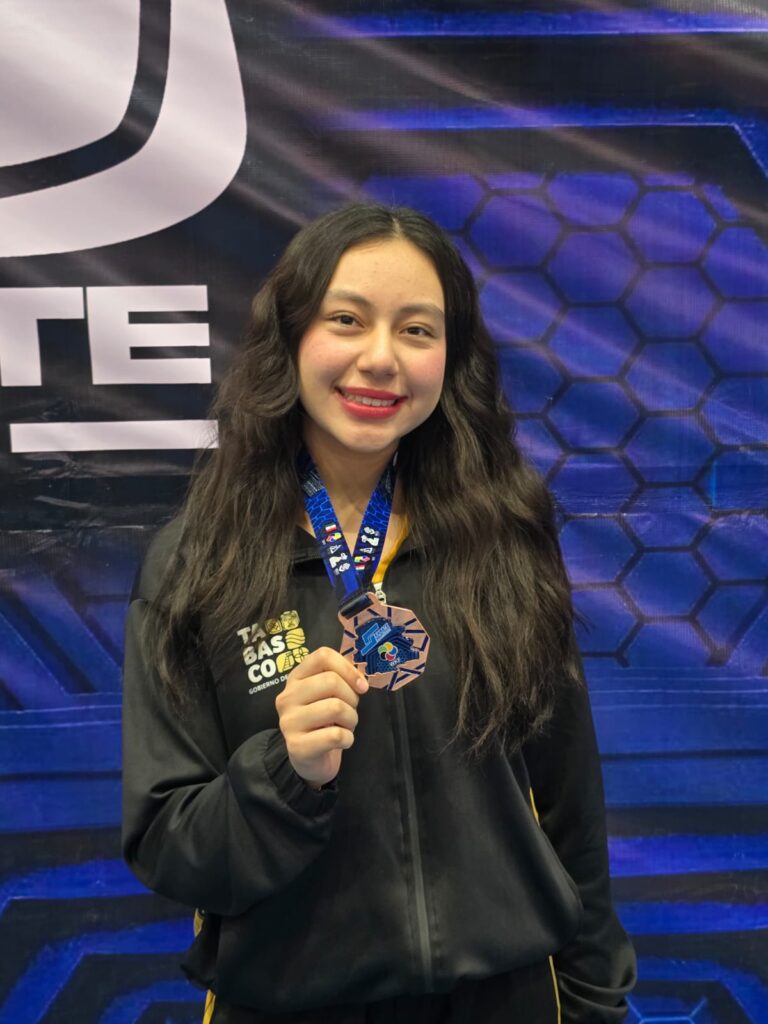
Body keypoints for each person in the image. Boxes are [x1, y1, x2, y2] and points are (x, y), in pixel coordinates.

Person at [121, 201, 637, 1024]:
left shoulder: (504, 536)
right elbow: (170, 847)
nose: (380, 358)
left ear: (451, 357)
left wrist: (592, 1002)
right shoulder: (199, 565)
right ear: (292, 336)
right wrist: (287, 774)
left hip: (504, 1001)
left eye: (417, 330)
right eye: (347, 320)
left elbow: (567, 802)